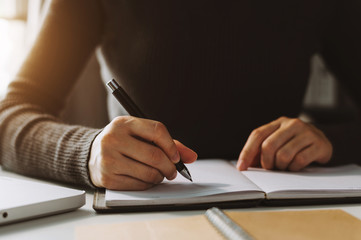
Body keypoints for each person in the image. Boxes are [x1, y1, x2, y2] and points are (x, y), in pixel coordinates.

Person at [0, 0, 360, 190]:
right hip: (139, 221)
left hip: (290, 216)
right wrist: (88, 152)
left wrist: (332, 140)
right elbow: (9, 117)